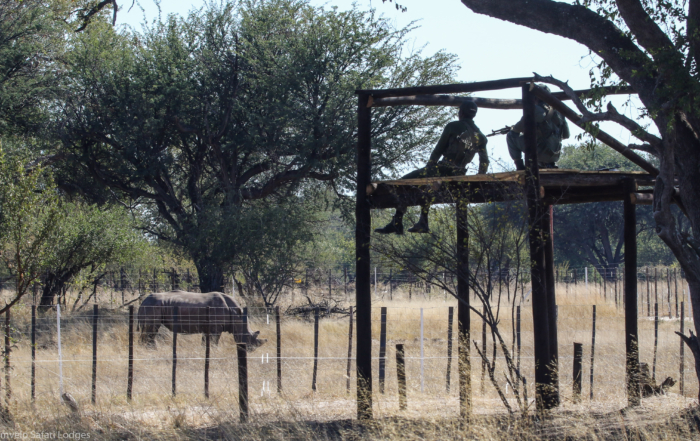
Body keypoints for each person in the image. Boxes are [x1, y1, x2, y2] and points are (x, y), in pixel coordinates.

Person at [375, 100, 488, 235]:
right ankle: (420, 221)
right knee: (428, 187)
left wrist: (429, 167)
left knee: (403, 182)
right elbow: (484, 161)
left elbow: (438, 150)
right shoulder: (481, 137)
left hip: (442, 170)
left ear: (461, 112)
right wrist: (480, 177)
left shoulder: (453, 126)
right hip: (460, 173)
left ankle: (398, 221)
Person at [506, 86, 570, 170]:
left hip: (540, 153)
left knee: (511, 135)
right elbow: (566, 135)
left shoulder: (535, 109)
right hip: (555, 155)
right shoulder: (559, 111)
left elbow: (516, 129)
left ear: (534, 97)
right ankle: (547, 163)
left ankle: (520, 167)